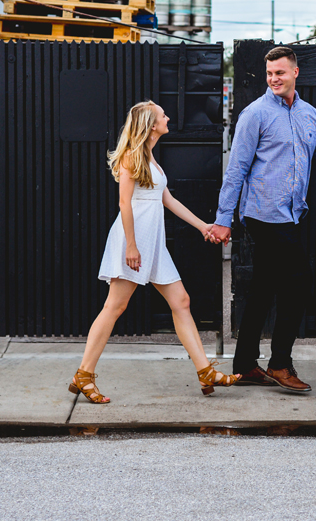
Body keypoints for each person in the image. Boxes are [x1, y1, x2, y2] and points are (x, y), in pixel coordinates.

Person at [208, 46, 316, 393]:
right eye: (270, 74)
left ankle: (244, 365)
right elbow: (236, 169)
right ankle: (280, 364)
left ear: (295, 73)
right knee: (299, 282)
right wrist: (223, 219)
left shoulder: (309, 116)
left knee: (262, 289)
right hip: (262, 213)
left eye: (280, 73)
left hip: (291, 214)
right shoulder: (255, 114)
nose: (274, 79)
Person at [71, 101, 239, 403]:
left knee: (181, 301)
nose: (168, 118)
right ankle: (84, 375)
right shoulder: (131, 157)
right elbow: (125, 204)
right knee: (115, 307)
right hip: (133, 241)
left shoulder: (151, 159)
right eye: (163, 115)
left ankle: (205, 371)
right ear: (150, 125)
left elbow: (168, 200)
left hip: (153, 244)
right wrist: (132, 246)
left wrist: (205, 227)